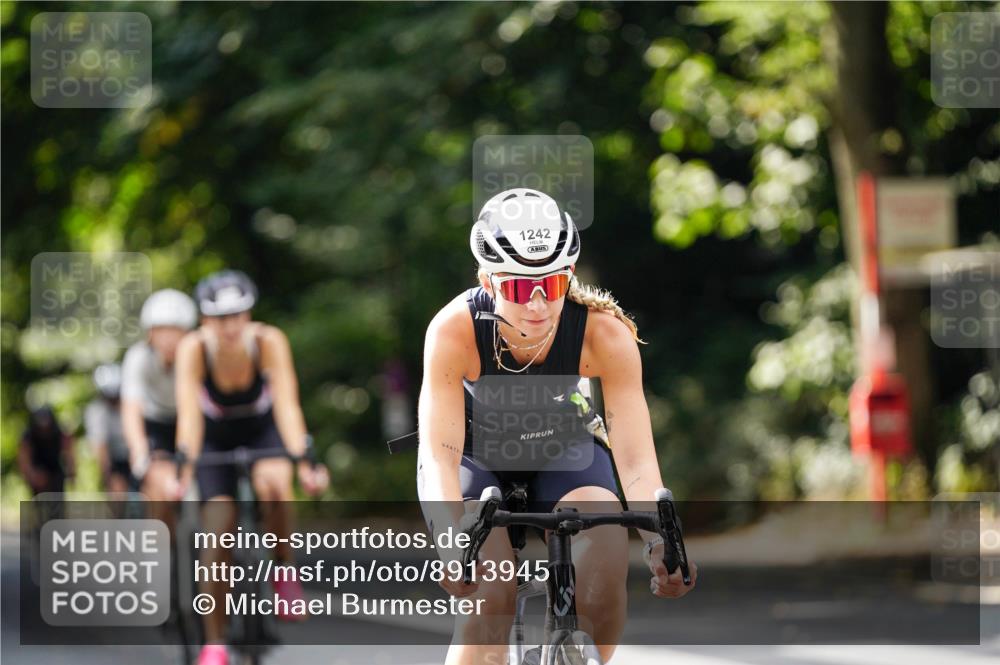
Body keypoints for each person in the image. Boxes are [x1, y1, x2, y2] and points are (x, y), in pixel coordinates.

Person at [417, 188, 697, 664]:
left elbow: (634, 457)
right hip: (476, 457)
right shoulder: (454, 330)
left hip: (563, 451)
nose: (539, 304)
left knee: (606, 552)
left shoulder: (605, 333)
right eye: (521, 288)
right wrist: (450, 540)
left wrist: (658, 541)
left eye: (553, 284)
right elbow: (438, 451)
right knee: (491, 592)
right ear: (488, 281)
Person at [174, 270, 328, 665]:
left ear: (249, 314)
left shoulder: (268, 341)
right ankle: (214, 643)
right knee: (217, 528)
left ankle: (284, 571)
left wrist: (306, 462)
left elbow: (288, 407)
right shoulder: (193, 350)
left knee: (275, 483)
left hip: (262, 432)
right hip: (214, 439)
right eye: (220, 318)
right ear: (205, 320)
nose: (230, 326)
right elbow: (189, 419)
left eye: (238, 315)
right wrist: (183, 472)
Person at [121, 289, 198, 524]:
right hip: (156, 426)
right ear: (150, 333)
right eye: (161, 331)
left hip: (193, 423)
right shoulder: (138, 358)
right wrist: (138, 448)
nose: (169, 339)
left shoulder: (198, 357)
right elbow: (131, 408)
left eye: (176, 331)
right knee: (157, 487)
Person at [85, 363, 131, 494]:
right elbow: (100, 447)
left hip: (135, 457)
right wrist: (107, 475)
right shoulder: (97, 412)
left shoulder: (131, 405)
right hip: (114, 461)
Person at [18, 405, 74, 496]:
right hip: (36, 471)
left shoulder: (59, 433)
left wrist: (72, 472)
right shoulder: (29, 436)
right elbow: (24, 459)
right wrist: (32, 476)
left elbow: (69, 452)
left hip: (56, 472)